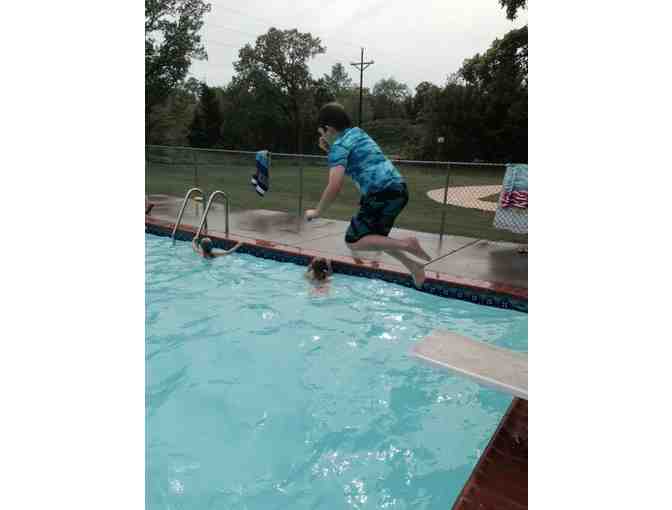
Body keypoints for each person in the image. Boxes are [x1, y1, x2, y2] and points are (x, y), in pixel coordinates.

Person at [305, 102, 431, 288]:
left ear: (329, 129)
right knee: (377, 239)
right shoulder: (357, 133)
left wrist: (317, 212)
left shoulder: (340, 147)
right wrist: (330, 149)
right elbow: (357, 158)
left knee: (353, 241)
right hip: (398, 189)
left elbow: (335, 185)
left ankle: (407, 244)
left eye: (321, 133)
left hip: (381, 193)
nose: (322, 137)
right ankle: (413, 266)